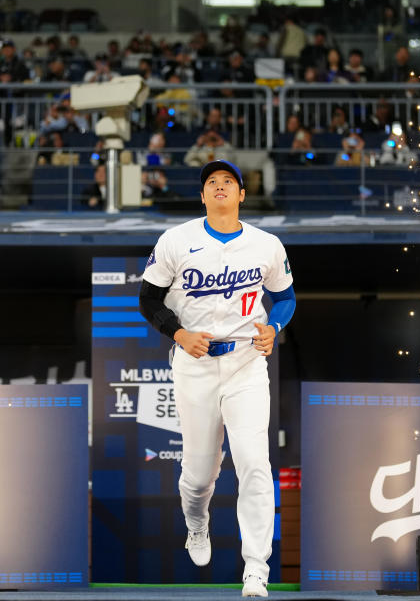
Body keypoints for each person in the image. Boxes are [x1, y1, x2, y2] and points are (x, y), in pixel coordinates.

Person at [138, 159, 295, 599]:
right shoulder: (177, 240)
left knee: (254, 464)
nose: (221, 186)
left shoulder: (266, 244)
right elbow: (148, 299)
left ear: (242, 194)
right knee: (200, 475)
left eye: (229, 181)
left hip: (246, 360)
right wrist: (179, 333)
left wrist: (274, 327)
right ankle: (196, 521)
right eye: (212, 182)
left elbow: (285, 297)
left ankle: (256, 569)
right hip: (196, 364)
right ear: (203, 195)